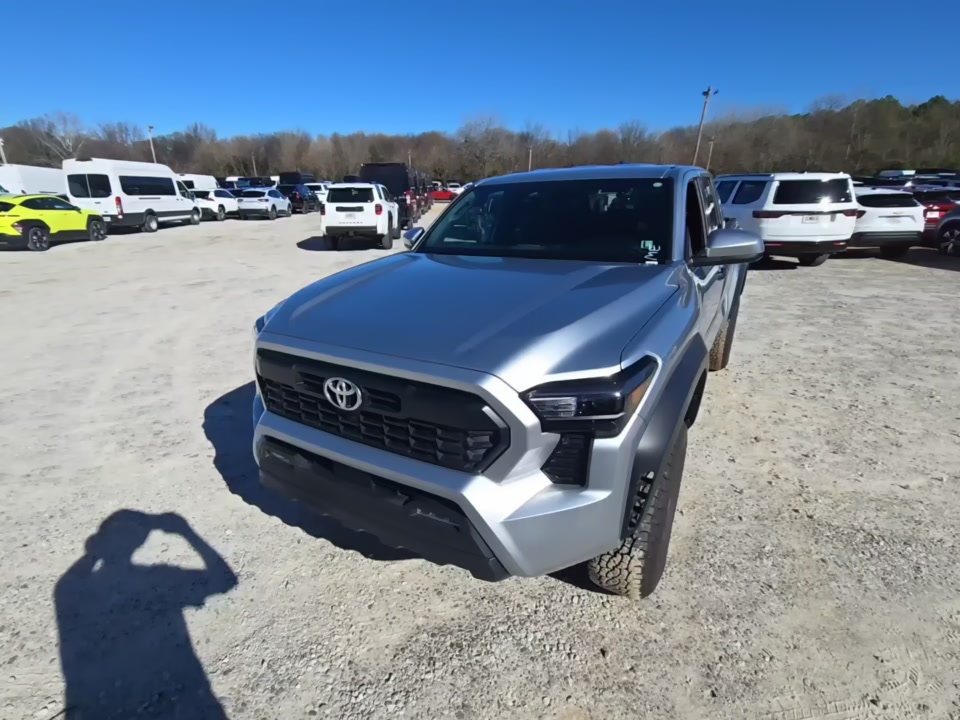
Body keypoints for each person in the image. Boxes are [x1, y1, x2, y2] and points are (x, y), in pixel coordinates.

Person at [55, 510, 237, 720]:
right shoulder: (160, 577)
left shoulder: (70, 586)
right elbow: (225, 580)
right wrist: (187, 532)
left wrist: (93, 553)